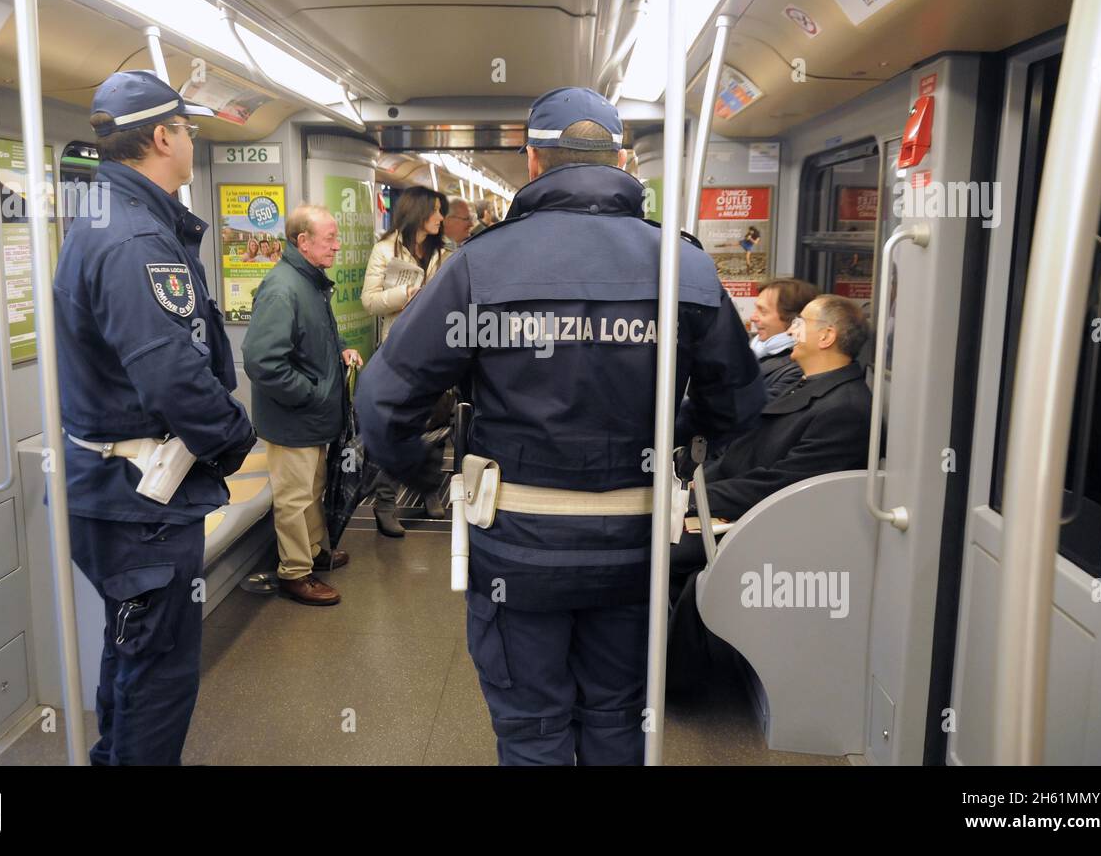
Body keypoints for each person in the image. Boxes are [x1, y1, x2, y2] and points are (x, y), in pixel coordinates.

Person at [355, 87, 764, 765]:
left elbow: (382, 399)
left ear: (534, 161)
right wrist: (672, 436)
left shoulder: (478, 266)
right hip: (634, 552)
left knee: (533, 730)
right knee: (615, 720)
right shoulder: (683, 267)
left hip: (518, 549)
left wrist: (429, 474)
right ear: (623, 159)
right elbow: (738, 404)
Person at [54, 70, 257, 765]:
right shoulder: (135, 239)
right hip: (140, 504)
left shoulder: (108, 218)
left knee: (131, 652)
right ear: (163, 135)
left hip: (119, 497)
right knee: (159, 672)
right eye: (189, 129)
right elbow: (171, 373)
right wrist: (235, 441)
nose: (193, 140)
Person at [668, 294, 872, 689]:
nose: (793, 330)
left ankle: (681, 677)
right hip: (749, 511)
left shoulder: (844, 408)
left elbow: (784, 483)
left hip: (776, 530)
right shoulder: (810, 387)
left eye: (803, 323)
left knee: (667, 552)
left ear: (827, 336)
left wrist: (695, 500)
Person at [243, 205, 364, 605]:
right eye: (330, 238)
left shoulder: (308, 282)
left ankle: (312, 552)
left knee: (312, 489)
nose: (337, 245)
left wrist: (342, 350)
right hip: (294, 418)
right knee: (295, 498)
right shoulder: (283, 288)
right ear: (303, 242)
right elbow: (263, 361)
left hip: (310, 417)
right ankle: (294, 573)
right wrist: (311, 395)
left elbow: (316, 338)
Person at [360, 187, 450, 535]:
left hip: (437, 350)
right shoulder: (385, 251)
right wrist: (404, 296)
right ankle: (385, 504)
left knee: (437, 422)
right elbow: (369, 301)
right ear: (419, 212)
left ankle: (429, 489)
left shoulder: (442, 255)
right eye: (436, 211)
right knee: (399, 426)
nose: (440, 218)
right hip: (399, 353)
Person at [748, 277, 819, 400]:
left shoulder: (801, 368)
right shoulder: (752, 350)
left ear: (793, 320)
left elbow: (756, 408)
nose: (753, 317)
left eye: (763, 311)